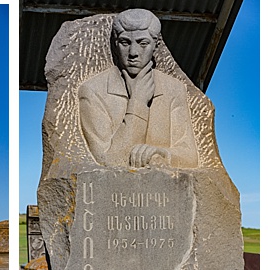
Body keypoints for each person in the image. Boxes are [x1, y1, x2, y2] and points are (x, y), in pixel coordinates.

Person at [78, 9, 198, 168]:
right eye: (125, 43)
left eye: (143, 43)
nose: (133, 53)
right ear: (115, 45)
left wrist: (163, 155)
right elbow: (111, 161)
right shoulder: (93, 91)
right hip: (116, 191)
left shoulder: (174, 89)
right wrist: (139, 102)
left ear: (156, 46)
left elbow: (190, 158)